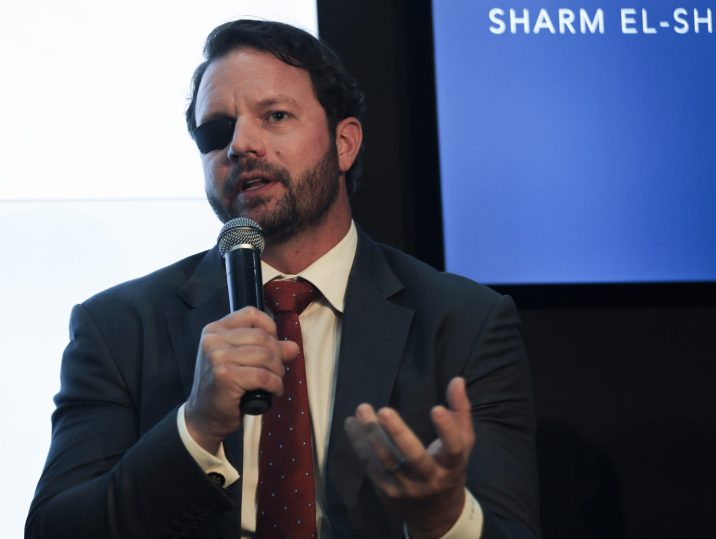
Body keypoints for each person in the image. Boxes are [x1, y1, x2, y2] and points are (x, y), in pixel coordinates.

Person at [26, 19, 539, 539]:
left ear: (344, 143)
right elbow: (54, 529)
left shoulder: (465, 323)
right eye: (217, 131)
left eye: (274, 116)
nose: (240, 144)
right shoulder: (118, 327)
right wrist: (196, 428)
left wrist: (443, 518)